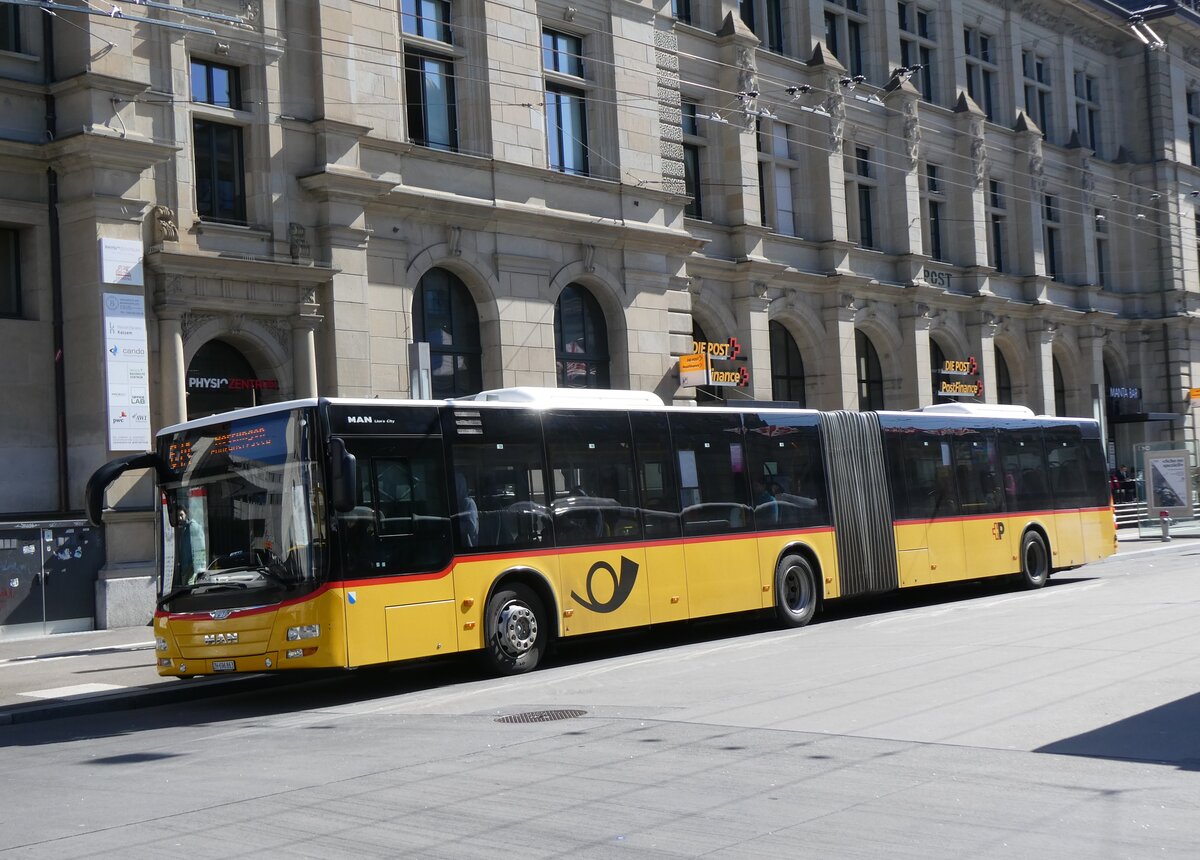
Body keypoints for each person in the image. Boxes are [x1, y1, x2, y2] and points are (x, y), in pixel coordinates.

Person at [175, 507, 207, 584]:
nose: (179, 518)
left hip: (191, 566)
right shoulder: (182, 528)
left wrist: (198, 565)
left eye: (181, 515)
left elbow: (200, 546)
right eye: (177, 516)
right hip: (184, 566)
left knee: (189, 586)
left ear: (186, 514)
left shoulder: (193, 527)